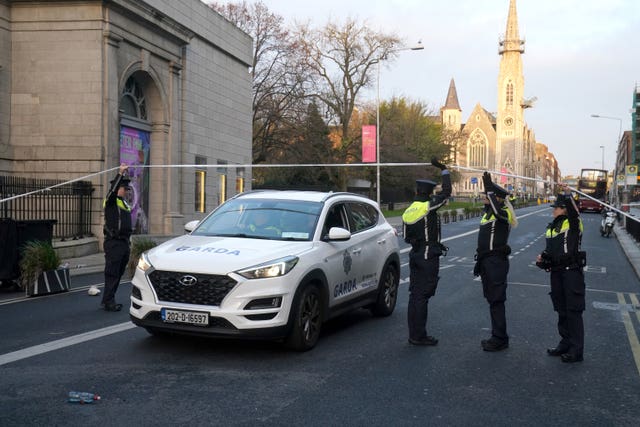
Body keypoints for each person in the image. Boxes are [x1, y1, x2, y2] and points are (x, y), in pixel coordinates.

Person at [401, 157, 451, 346]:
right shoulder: (428, 206)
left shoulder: (409, 210)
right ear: (429, 193)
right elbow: (447, 192)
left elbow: (406, 236)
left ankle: (413, 333)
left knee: (415, 295)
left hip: (415, 254)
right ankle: (419, 336)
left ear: (416, 191)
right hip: (428, 255)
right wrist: (444, 170)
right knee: (423, 296)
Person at [536, 183, 586, 363]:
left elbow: (574, 212)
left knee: (573, 311)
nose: (553, 211)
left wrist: (567, 194)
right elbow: (552, 249)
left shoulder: (574, 223)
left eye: (556, 208)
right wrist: (543, 258)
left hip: (571, 272)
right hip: (556, 273)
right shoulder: (552, 226)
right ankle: (565, 343)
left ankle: (576, 350)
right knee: (561, 310)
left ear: (563, 209)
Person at [474, 172, 517, 351]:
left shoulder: (503, 212)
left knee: (497, 300)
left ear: (497, 198)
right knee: (492, 300)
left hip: (496, 262)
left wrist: (490, 189)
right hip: (486, 262)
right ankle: (497, 336)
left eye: (488, 196)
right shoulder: (488, 213)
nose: (484, 197)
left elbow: (499, 214)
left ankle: (500, 338)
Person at [102, 163, 132, 312]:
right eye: (124, 188)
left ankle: (108, 297)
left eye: (126, 189)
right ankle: (109, 301)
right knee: (112, 272)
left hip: (123, 243)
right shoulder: (111, 202)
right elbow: (112, 193)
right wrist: (120, 173)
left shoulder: (124, 203)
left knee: (118, 272)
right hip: (114, 242)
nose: (126, 191)